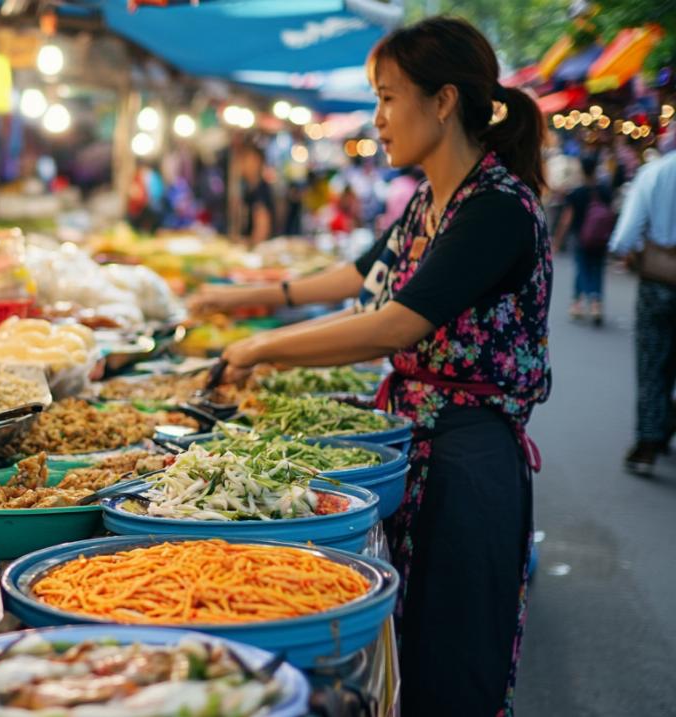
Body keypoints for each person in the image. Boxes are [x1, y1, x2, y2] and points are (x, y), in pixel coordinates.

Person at [189, 17, 549, 716]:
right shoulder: (430, 200)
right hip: (415, 439)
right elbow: (360, 276)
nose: (378, 119)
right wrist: (248, 299)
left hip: (470, 456)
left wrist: (258, 347)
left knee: (453, 666)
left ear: (443, 101)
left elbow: (394, 321)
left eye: (388, 98)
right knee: (414, 652)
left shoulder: (496, 208)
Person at [609, 130, 676, 476]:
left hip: (658, 281)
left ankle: (649, 441)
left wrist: (638, 257)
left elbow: (623, 238)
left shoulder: (655, 173)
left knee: (652, 362)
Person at [553, 154, 613, 324]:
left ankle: (578, 303)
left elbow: (566, 219)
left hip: (581, 237)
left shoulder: (577, 193)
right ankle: (596, 304)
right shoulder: (604, 190)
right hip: (601, 239)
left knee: (582, 269)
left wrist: (558, 240)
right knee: (597, 269)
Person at [234, 141, 275, 244]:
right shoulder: (250, 188)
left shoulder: (260, 190)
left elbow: (262, 228)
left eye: (244, 159)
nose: (240, 164)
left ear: (256, 162)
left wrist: (250, 245)